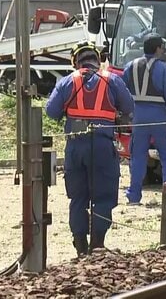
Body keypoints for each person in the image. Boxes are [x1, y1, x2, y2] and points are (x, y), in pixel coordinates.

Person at [45, 41, 134, 256]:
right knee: (103, 196)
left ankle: (80, 246)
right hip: (103, 145)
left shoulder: (67, 81)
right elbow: (129, 107)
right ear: (98, 60)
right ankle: (97, 245)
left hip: (75, 146)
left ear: (76, 61)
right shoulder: (112, 80)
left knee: (78, 197)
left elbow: (51, 112)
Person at [123, 33, 166, 205]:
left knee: (137, 156)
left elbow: (122, 90)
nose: (163, 50)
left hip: (138, 116)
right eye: (162, 47)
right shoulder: (163, 68)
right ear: (157, 49)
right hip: (159, 116)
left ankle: (133, 196)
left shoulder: (130, 66)